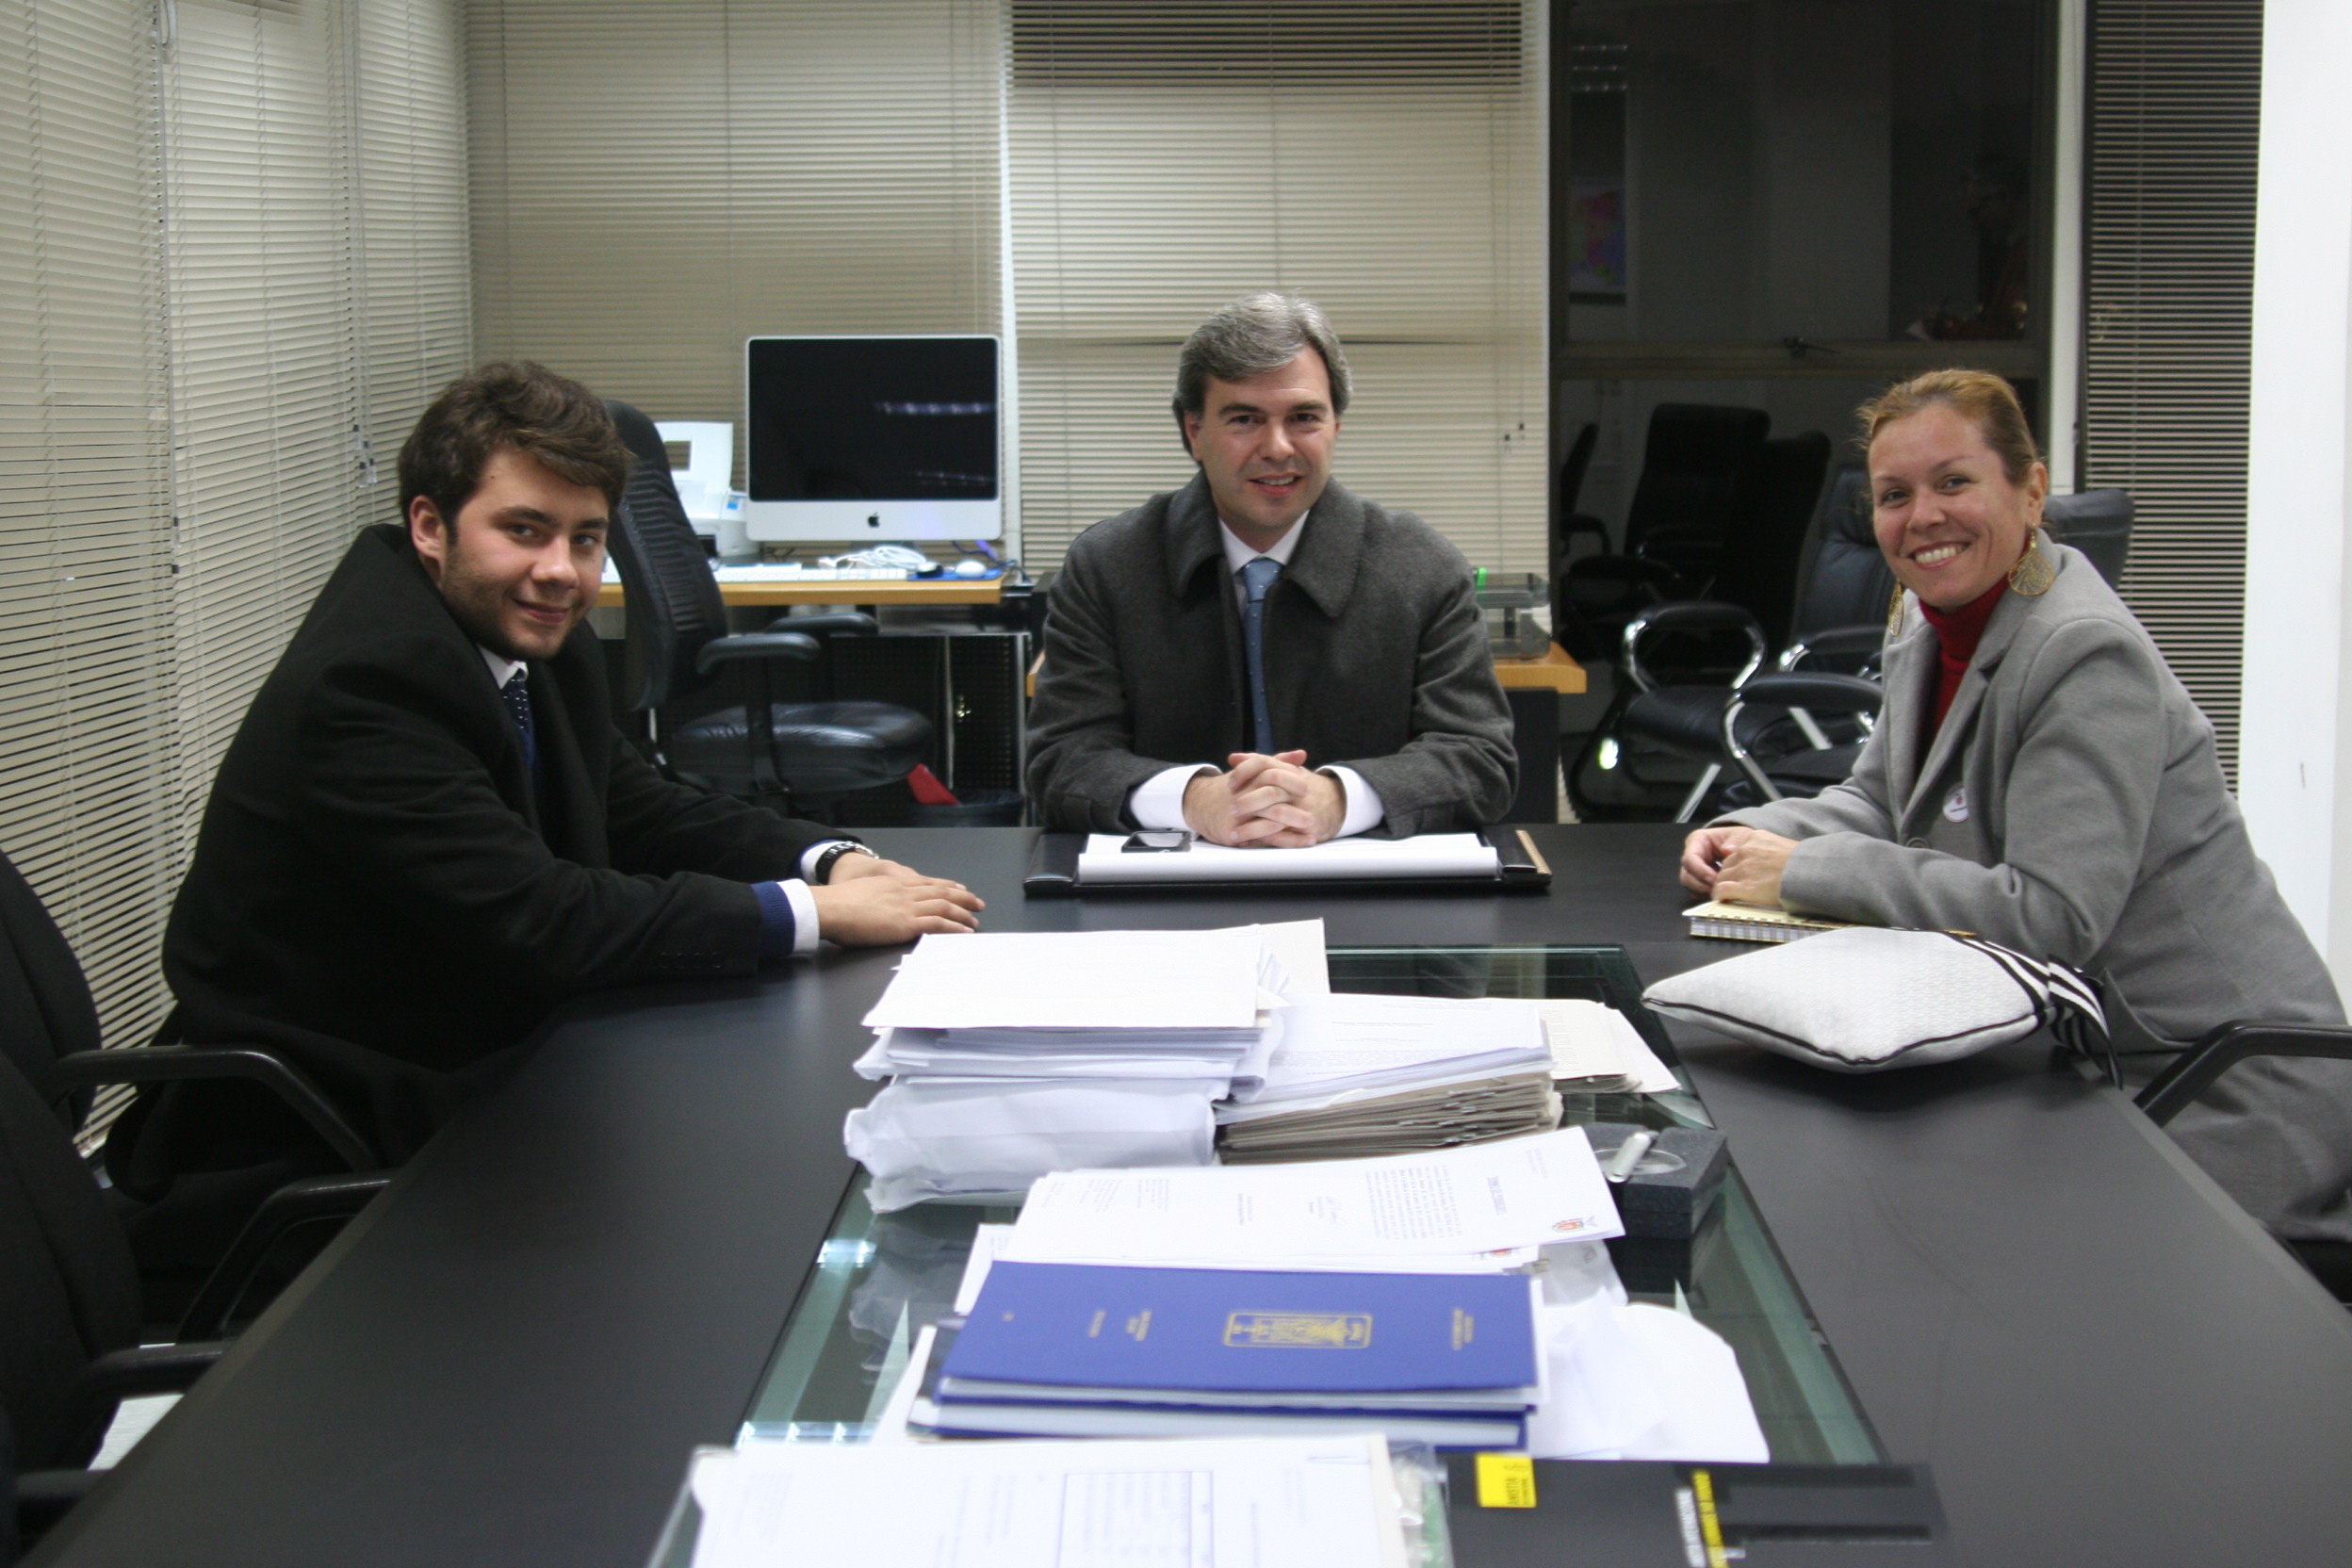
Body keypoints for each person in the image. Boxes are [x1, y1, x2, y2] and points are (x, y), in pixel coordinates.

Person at [118, 362, 982, 1227]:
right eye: (524, 530)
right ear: (430, 524)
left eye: (584, 537)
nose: (561, 570)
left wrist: (827, 858)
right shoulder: (369, 684)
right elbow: (542, 918)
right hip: (322, 1123)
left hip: (483, 1051)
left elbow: (633, 804)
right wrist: (813, 915)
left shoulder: (520, 631)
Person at [1679, 368, 2352, 1251]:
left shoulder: (2084, 653)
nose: (1922, 517)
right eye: (1894, 495)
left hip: (2217, 1086)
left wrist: (1803, 873)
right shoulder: (1928, 620)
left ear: (2030, 489)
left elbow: (2052, 914)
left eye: (1954, 482)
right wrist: (1759, 838)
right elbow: (1882, 801)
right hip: (2080, 1055)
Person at [1024, 291, 1515, 844]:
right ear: (1194, 432)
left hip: (1368, 889)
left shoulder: (1423, 567)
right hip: (1167, 902)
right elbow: (1061, 763)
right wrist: (1195, 800)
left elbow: (1480, 759)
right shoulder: (1107, 567)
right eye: (1244, 419)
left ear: (1336, 426)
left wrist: (1337, 799)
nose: (1277, 448)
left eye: (1304, 417)